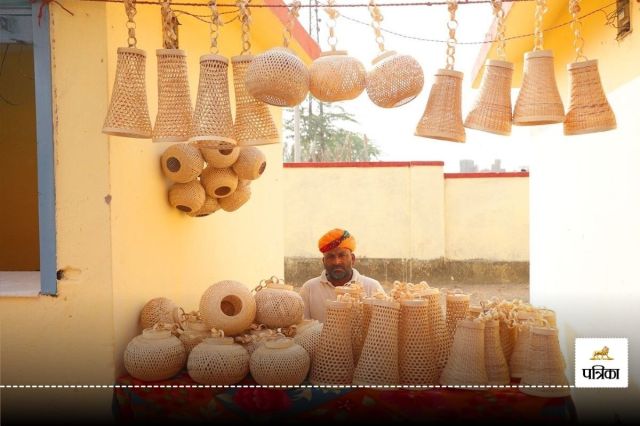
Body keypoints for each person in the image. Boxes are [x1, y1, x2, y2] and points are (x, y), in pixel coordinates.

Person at [299, 228, 385, 323]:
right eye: (331, 257)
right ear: (323, 261)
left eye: (342, 255)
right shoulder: (309, 289)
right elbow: (301, 328)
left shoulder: (372, 287)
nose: (337, 262)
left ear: (352, 259)